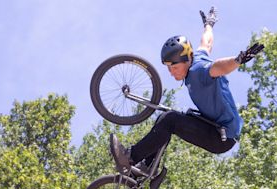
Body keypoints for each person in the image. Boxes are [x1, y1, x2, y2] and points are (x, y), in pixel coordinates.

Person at [110, 7, 264, 174]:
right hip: (212, 126)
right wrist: (209, 24)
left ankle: (130, 157)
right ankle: (145, 168)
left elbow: (219, 67)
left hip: (222, 137)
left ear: (186, 60)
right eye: (168, 68)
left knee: (171, 120)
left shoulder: (199, 71)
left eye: (174, 67)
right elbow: (207, 43)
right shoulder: (196, 56)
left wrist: (238, 60)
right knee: (165, 117)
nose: (171, 72)